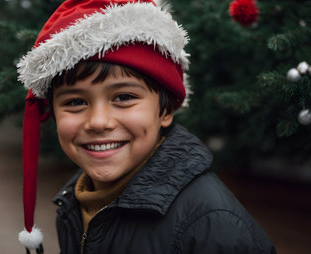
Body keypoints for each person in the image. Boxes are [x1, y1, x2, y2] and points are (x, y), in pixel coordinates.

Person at [16, 0, 277, 253]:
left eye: (124, 97)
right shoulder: (74, 201)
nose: (98, 122)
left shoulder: (213, 227)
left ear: (166, 110)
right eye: (75, 102)